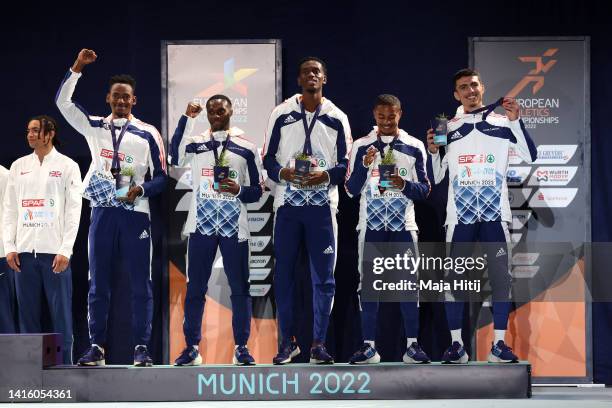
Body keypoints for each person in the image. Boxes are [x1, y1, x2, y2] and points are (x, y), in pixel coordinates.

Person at [56, 49, 167, 366]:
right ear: (108, 98)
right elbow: (63, 104)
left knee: (140, 284)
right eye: (116, 97)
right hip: (103, 213)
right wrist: (77, 68)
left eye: (126, 98)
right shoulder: (94, 127)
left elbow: (162, 178)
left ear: (135, 101)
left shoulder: (148, 134)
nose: (121, 102)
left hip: (136, 215)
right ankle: (97, 348)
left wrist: (141, 188)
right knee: (98, 282)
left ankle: (142, 348)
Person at [427, 68, 537, 363]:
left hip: (494, 216)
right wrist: (433, 150)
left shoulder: (502, 122)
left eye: (474, 85)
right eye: (464, 87)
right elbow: (436, 176)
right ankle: (456, 346)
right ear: (456, 94)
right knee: (455, 281)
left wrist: (517, 121)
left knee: (501, 279)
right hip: (460, 218)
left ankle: (498, 346)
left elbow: (531, 155)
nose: (470, 91)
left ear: (483, 88)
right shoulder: (447, 127)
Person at [263, 57, 352, 364]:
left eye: (316, 71)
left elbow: (346, 165)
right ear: (299, 79)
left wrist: (325, 176)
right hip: (288, 206)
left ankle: (318, 344)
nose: (311, 75)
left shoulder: (337, 117)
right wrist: (282, 174)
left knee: (324, 280)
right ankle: (288, 343)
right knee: (284, 276)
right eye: (305, 72)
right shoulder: (282, 113)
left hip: (322, 209)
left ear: (324, 78)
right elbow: (267, 159)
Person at [168, 96, 263, 366]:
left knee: (239, 289)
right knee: (195, 287)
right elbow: (174, 156)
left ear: (231, 111)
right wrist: (187, 118)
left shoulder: (246, 148)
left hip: (235, 228)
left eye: (220, 110)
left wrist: (239, 191)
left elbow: (257, 191)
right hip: (202, 226)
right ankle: (191, 348)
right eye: (211, 111)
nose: (215, 114)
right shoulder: (197, 144)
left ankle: (241, 348)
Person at [345, 94, 431, 364]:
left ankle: (413, 347)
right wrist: (364, 165)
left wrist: (403, 184)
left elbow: (426, 189)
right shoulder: (361, 146)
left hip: (403, 226)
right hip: (371, 226)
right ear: (374, 115)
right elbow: (350, 190)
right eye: (381, 116)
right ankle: (369, 347)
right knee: (368, 286)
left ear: (399, 114)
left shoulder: (414, 146)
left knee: (408, 285)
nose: (385, 121)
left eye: (391, 115)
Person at [3, 115, 82, 364]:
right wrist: (10, 247)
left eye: (36, 130)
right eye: (28, 130)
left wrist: (66, 250)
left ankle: (65, 371)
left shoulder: (68, 166)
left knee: (61, 318)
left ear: (50, 134)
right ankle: (31, 373)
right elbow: (10, 209)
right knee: (27, 318)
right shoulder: (18, 166)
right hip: (23, 255)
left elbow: (73, 210)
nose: (30, 135)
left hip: (54, 254)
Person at [0, 163, 16, 334]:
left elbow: (10, 216)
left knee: (4, 315)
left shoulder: (4, 176)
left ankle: (8, 359)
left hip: (1, 256)